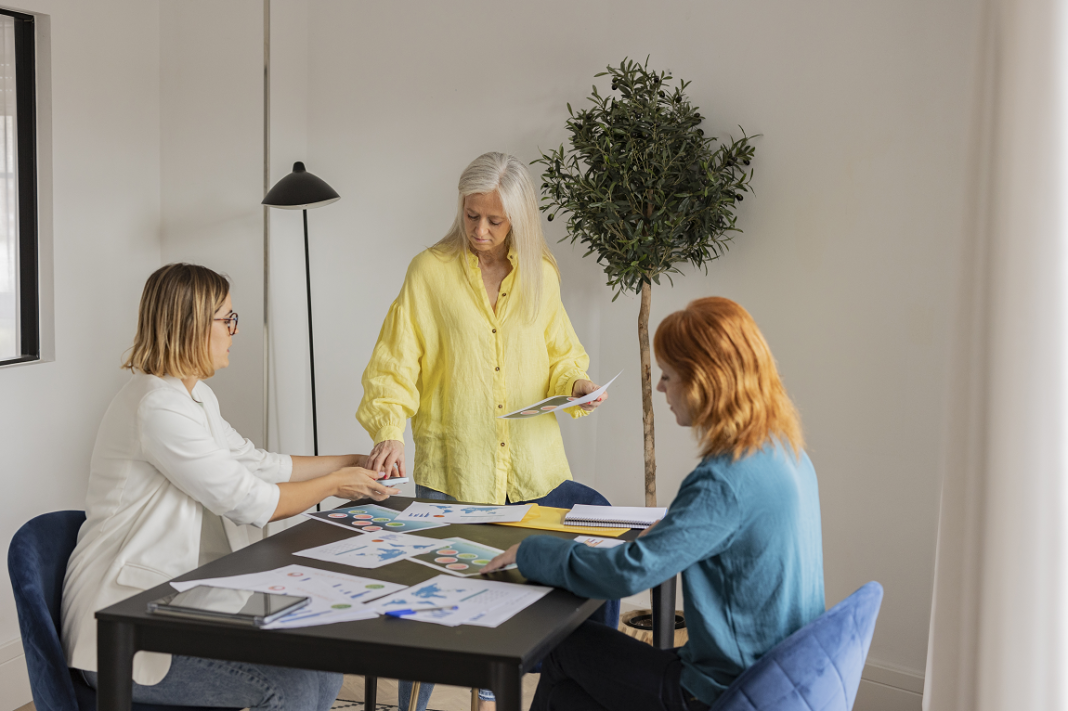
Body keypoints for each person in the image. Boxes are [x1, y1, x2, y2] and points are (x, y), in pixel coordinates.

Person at [61, 263, 401, 711]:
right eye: (227, 319)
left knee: (322, 667)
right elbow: (250, 501)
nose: (234, 331)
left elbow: (258, 464)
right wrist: (335, 484)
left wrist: (350, 462)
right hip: (123, 629)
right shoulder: (156, 408)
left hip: (182, 605)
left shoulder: (194, 397)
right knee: (290, 691)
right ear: (191, 325)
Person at [481, 297, 826, 711]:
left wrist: (533, 552)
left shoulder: (723, 481)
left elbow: (628, 573)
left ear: (702, 382)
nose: (660, 387)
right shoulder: (785, 451)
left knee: (562, 647)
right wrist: (673, 530)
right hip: (777, 680)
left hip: (722, 692)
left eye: (667, 375)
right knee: (567, 695)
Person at [356, 152, 611, 710]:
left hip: (534, 475)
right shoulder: (429, 272)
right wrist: (389, 430)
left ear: (519, 218)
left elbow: (562, 355)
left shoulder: (541, 275)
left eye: (495, 220)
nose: (480, 231)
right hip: (456, 476)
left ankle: (569, 693)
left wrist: (577, 384)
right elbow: (395, 364)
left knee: (594, 552)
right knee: (428, 618)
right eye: (472, 216)